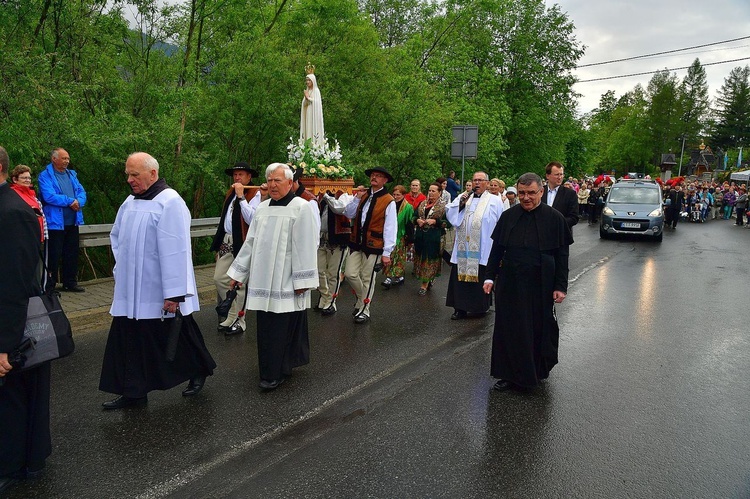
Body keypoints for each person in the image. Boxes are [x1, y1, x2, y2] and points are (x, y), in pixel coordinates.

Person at [99, 152, 216, 409]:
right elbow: (117, 237)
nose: (129, 180)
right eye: (127, 174)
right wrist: (124, 271)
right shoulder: (130, 202)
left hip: (159, 288)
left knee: (178, 334)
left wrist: (174, 293)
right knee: (129, 338)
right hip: (132, 289)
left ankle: (199, 368)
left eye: (135, 175)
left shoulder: (169, 202)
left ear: (152, 174)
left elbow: (177, 249)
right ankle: (134, 392)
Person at [228, 163, 319, 390]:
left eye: (277, 180)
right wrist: (238, 273)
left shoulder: (301, 207)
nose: (272, 185)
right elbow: (250, 244)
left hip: (286, 278)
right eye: (269, 180)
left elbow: (305, 246)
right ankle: (272, 368)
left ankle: (275, 372)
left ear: (290, 183)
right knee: (266, 326)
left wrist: (303, 281)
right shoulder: (263, 208)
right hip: (262, 277)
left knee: (282, 327)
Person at [483, 172, 573, 392]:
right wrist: (488, 276)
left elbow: (562, 256)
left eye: (531, 193)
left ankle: (536, 372)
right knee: (509, 328)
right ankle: (508, 374)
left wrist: (561, 286)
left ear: (541, 192)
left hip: (541, 283)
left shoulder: (555, 218)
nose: (526, 198)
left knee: (537, 328)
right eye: (522, 193)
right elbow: (497, 250)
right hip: (511, 282)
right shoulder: (508, 216)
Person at [0, 146, 50, 494]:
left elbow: (15, 285)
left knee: (12, 396)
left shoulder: (13, 212)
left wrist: (4, 345)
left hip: (11, 323)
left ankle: (14, 465)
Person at [209, 162, 261, 336]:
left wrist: (241, 197)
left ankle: (240, 319)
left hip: (243, 243)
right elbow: (225, 220)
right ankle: (231, 313)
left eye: (241, 175)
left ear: (249, 177)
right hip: (227, 241)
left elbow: (252, 218)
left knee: (240, 283)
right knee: (219, 279)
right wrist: (218, 245)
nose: (237, 178)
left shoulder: (256, 194)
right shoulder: (230, 193)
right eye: (235, 175)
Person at [445, 171, 503, 319]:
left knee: (480, 277)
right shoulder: (465, 197)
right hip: (463, 248)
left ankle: (478, 307)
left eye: (480, 180)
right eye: (474, 180)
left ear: (487, 183)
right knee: (460, 278)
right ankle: (459, 308)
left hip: (482, 247)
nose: (476, 183)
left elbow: (501, 222)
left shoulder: (494, 200)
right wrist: (460, 205)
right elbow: (451, 214)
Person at [344, 167, 397, 324]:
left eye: (378, 176)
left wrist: (387, 252)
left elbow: (390, 227)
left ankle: (364, 309)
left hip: (374, 244)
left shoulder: (388, 200)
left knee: (368, 278)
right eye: (373, 175)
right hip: (356, 242)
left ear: (385, 180)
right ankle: (362, 299)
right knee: (350, 274)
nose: (374, 178)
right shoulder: (364, 195)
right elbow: (349, 214)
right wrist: (356, 198)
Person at [38, 148, 87, 292]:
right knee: (53, 255)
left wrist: (79, 201)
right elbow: (49, 196)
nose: (66, 161)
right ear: (54, 159)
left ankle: (70, 282)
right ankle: (49, 286)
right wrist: (70, 201)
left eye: (68, 158)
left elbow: (82, 192)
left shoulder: (72, 175)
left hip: (73, 221)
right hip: (55, 223)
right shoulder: (45, 176)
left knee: (71, 253)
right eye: (63, 158)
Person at [317, 189, 354, 316]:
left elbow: (339, 208)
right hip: (321, 238)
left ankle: (331, 301)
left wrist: (326, 196)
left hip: (338, 239)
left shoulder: (344, 195)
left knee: (333, 273)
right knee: (318, 271)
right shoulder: (318, 195)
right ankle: (324, 296)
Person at [414, 182, 448, 295]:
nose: (431, 193)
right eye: (429, 190)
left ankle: (424, 285)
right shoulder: (422, 203)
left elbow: (448, 223)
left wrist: (435, 221)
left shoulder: (444, 206)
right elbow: (414, 216)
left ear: (439, 193)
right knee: (421, 259)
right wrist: (417, 220)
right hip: (421, 236)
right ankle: (427, 280)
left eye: (434, 191)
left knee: (430, 260)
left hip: (435, 237)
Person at [382, 185, 414, 289]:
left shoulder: (408, 207)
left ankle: (396, 275)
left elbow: (409, 224)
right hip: (389, 234)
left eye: (398, 195)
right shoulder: (389, 204)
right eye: (394, 194)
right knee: (389, 255)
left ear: (403, 195)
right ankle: (389, 276)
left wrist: (409, 239)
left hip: (400, 235)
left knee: (398, 257)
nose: (395, 197)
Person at [10, 165, 46, 242]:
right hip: (22, 237)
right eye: (24, 178)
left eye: (29, 178)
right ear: (15, 179)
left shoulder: (31, 194)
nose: (27, 180)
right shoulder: (13, 195)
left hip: (35, 235)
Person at [541, 161, 578, 230]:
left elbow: (574, 218)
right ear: (547, 176)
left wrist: (556, 224)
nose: (560, 177)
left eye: (561, 174)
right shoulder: (539, 192)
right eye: (557, 174)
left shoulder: (570, 194)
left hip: (561, 235)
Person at [300, 72, 324, 146]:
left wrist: (308, 98)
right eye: (306, 80)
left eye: (309, 80)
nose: (307, 82)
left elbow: (317, 103)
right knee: (308, 129)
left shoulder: (316, 91)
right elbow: (304, 104)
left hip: (314, 115)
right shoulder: (308, 91)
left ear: (313, 81)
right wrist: (306, 99)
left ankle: (315, 145)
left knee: (313, 129)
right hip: (308, 113)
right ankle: (307, 145)